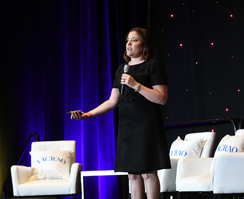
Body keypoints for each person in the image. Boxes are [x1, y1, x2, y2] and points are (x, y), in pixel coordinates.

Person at [71, 27, 171, 199]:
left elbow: (161, 98)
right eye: (127, 40)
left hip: (146, 125)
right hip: (127, 127)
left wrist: (136, 85)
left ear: (144, 45)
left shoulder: (153, 66)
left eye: (135, 40)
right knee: (132, 174)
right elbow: (112, 101)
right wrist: (88, 114)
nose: (129, 43)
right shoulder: (122, 70)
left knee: (148, 172)